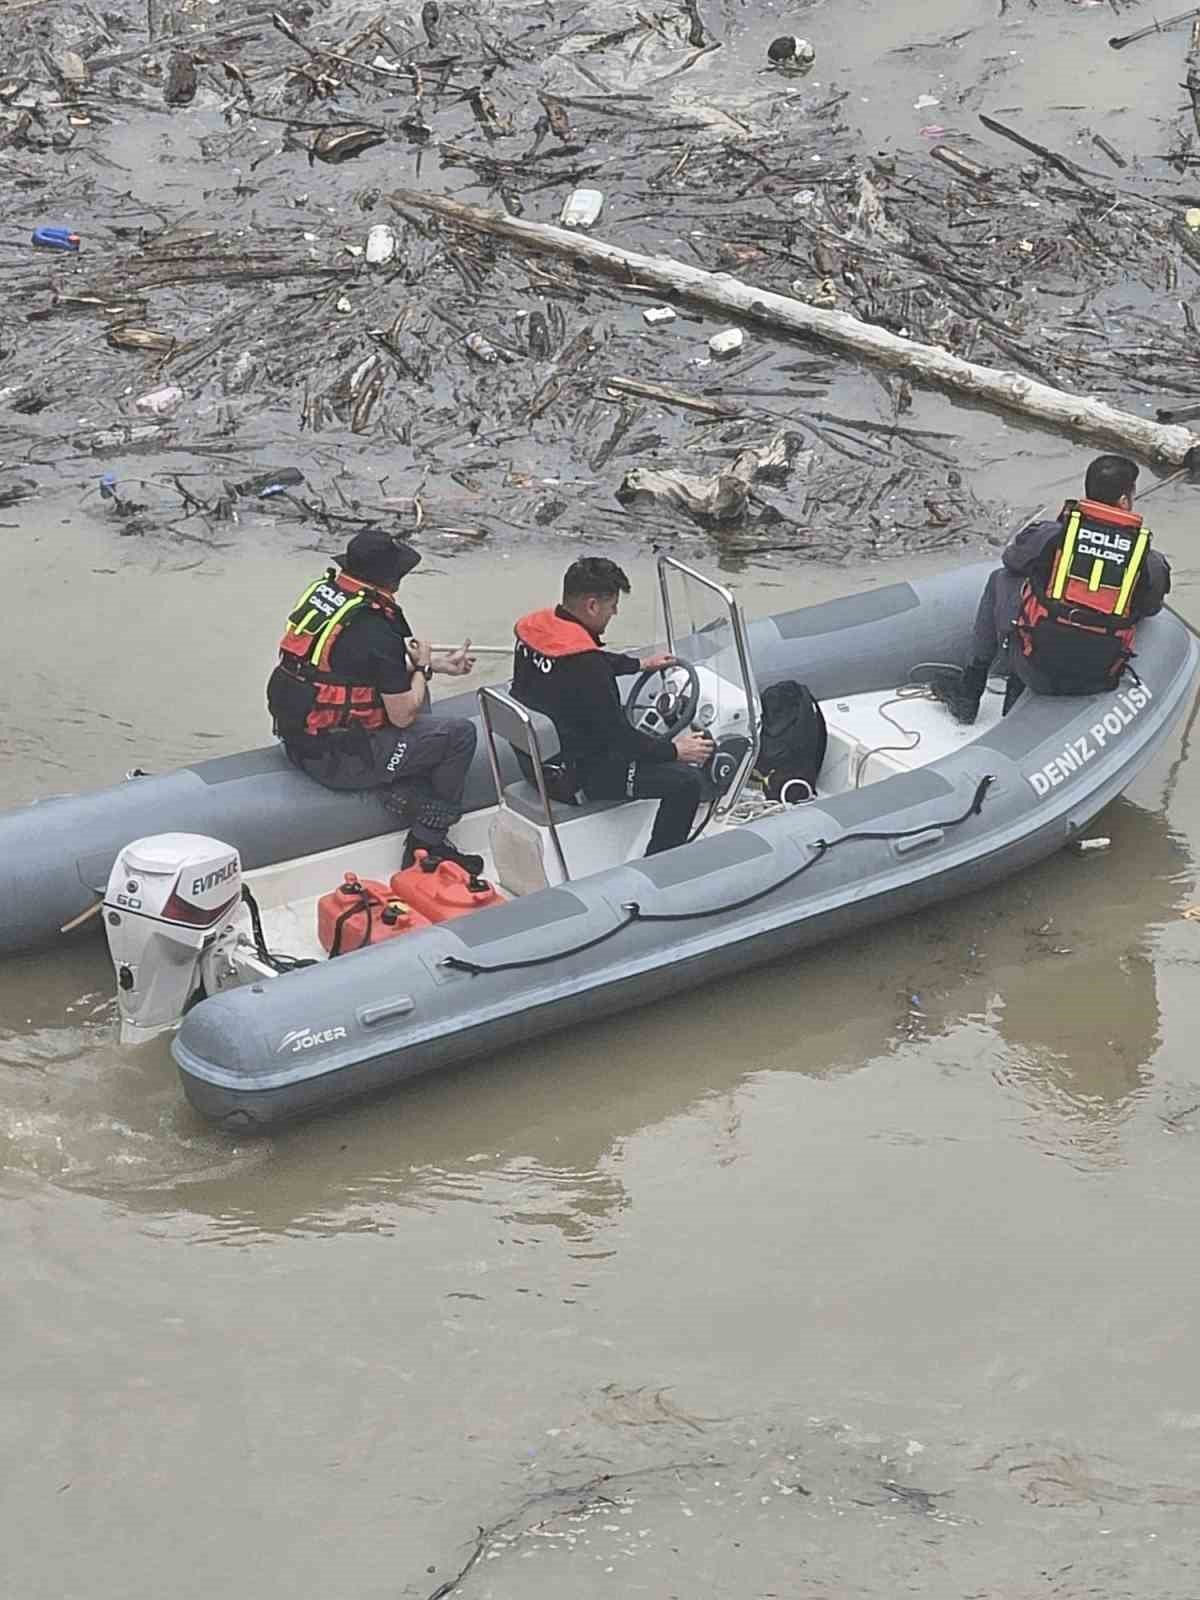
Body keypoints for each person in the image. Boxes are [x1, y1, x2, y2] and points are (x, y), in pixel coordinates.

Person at [267, 528, 483, 873]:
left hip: (299, 740)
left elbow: (348, 671)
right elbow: (401, 715)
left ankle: (402, 787)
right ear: (391, 581)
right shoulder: (377, 627)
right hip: (341, 759)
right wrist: (423, 667)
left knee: (416, 697)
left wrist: (435, 666)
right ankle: (428, 841)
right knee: (459, 735)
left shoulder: (331, 600)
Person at [935, 454, 1172, 724]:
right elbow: (1151, 608)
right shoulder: (1148, 560)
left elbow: (1012, 560)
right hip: (1099, 675)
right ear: (1124, 502)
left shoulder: (1052, 535)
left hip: (1033, 667)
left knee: (1000, 578)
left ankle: (969, 691)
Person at [511, 557, 714, 855]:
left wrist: (638, 665)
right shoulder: (587, 667)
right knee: (687, 782)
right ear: (592, 605)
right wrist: (676, 751)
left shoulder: (535, 632)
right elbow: (620, 739)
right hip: (578, 778)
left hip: (538, 766)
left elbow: (581, 659)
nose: (615, 612)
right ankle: (660, 865)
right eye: (612, 606)